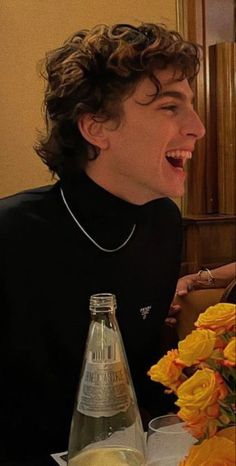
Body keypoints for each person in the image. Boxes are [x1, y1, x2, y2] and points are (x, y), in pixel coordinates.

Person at [0, 23, 205, 464]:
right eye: (171, 106)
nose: (198, 128)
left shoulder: (163, 222)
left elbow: (144, 369)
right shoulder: (12, 233)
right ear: (96, 127)